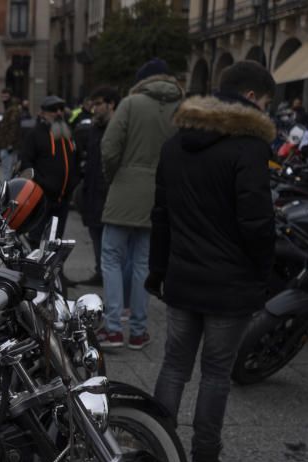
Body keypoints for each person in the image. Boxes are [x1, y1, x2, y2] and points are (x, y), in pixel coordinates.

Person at [147, 60, 277, 462]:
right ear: (253, 98)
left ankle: (154, 452)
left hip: (183, 277)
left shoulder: (175, 143)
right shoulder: (248, 147)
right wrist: (263, 270)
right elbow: (256, 222)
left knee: (173, 367)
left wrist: (157, 270)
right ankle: (205, 461)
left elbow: (161, 214)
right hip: (230, 281)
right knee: (215, 373)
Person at [99, 58, 183, 350]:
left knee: (110, 258)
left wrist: (115, 177)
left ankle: (112, 328)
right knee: (143, 263)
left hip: (124, 189)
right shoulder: (181, 107)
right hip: (160, 193)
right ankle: (137, 331)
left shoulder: (130, 104)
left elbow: (109, 149)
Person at [78, 86, 120, 287]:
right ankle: (100, 272)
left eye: (98, 104)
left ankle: (110, 276)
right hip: (93, 190)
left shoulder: (118, 127)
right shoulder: (95, 127)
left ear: (111, 104)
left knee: (109, 240)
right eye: (93, 104)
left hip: (110, 193)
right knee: (95, 234)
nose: (94, 108)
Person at [21, 95, 77, 242]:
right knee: (36, 238)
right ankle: (33, 265)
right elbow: (26, 163)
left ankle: (54, 266)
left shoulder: (67, 134)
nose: (58, 113)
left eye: (61, 109)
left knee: (56, 241)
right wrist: (41, 184)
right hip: (42, 198)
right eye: (53, 110)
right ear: (43, 113)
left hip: (63, 199)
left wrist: (73, 184)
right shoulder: (34, 134)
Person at [0, 96, 23, 180]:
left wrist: (9, 144)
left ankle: (7, 190)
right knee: (10, 170)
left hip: (7, 146)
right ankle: (9, 188)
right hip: (10, 145)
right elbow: (13, 129)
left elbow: (12, 129)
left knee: (7, 171)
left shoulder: (12, 112)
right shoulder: (14, 112)